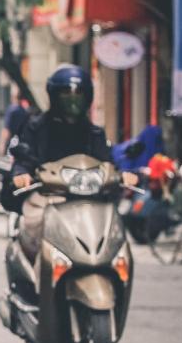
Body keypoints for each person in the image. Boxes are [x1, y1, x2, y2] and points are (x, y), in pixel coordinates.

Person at [9, 64, 138, 261]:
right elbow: (25, 158)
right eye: (66, 93)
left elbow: (108, 162)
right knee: (33, 225)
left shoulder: (94, 133)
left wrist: (122, 175)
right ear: (54, 96)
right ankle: (38, 271)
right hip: (49, 196)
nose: (73, 99)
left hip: (89, 199)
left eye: (79, 93)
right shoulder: (36, 127)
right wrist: (22, 174)